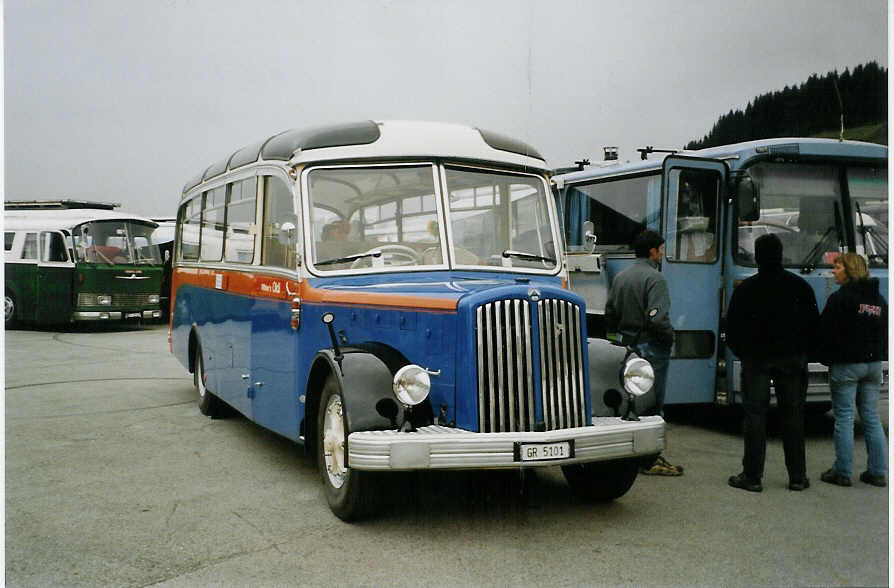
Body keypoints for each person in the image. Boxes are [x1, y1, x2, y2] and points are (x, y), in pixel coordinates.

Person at [725, 233, 819, 492]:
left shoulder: (746, 289)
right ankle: (798, 477)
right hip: (791, 361)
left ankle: (752, 476)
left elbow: (731, 329)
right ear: (781, 255)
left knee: (755, 415)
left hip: (756, 361)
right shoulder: (800, 287)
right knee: (793, 415)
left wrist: (745, 353)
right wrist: (802, 354)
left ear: (757, 256)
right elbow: (814, 327)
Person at [605, 229, 682, 476]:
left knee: (631, 401)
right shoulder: (655, 278)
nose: (663, 254)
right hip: (651, 346)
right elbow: (658, 318)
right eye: (661, 249)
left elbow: (610, 313)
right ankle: (651, 459)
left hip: (626, 346)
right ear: (653, 251)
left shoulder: (621, 277)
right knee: (653, 403)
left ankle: (630, 454)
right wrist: (670, 337)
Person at [817, 252, 888, 488]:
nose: (833, 271)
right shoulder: (878, 300)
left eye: (837, 267)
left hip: (847, 365)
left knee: (844, 417)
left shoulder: (840, 299)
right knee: (870, 417)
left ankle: (843, 471)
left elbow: (825, 331)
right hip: (873, 365)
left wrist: (825, 358)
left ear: (849, 271)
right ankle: (877, 471)